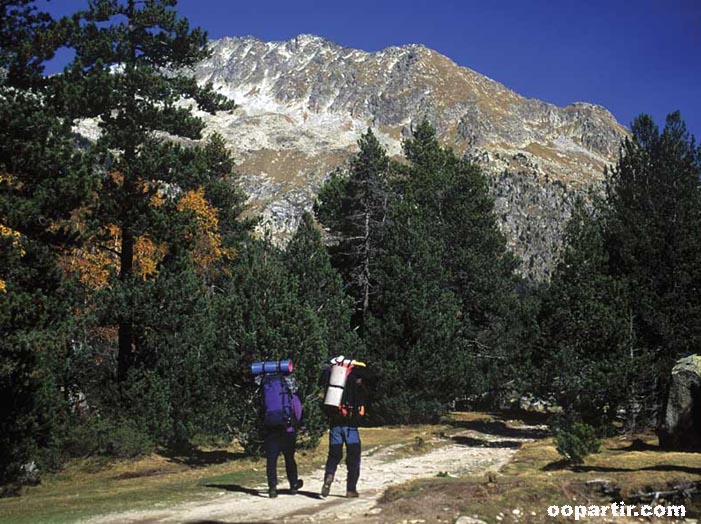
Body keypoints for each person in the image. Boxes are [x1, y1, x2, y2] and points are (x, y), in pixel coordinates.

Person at [320, 357, 373, 498]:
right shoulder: (355, 381)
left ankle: (329, 476)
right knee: (353, 457)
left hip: (335, 424)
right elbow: (361, 409)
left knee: (334, 455)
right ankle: (351, 490)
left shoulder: (332, 378)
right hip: (351, 427)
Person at [259, 372, 304, 498]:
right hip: (287, 429)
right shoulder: (289, 391)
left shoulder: (265, 385)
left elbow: (261, 407)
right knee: (289, 458)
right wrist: (297, 423)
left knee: (271, 459)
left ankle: (272, 487)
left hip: (271, 427)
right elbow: (297, 410)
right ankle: (294, 484)